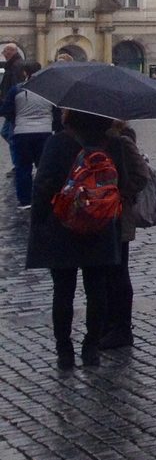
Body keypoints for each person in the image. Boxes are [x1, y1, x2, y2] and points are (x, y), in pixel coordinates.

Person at [27, 109, 132, 369]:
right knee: (96, 290)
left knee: (63, 291)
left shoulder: (59, 142)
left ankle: (64, 351)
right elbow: (125, 184)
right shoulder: (113, 142)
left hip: (63, 225)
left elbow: (43, 184)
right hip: (100, 226)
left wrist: (40, 221)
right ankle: (91, 348)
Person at [98, 119, 148, 351]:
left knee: (118, 271)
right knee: (105, 272)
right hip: (100, 213)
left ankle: (122, 327)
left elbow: (141, 176)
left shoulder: (122, 141)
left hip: (119, 213)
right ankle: (109, 323)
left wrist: (120, 193)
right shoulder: (97, 138)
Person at [2, 61, 53, 208]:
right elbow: (56, 112)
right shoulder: (49, 91)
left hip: (22, 132)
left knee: (23, 167)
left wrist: (15, 118)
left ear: (25, 72)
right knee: (43, 167)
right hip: (44, 132)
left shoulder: (16, 90)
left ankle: (25, 200)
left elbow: (6, 110)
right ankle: (45, 197)